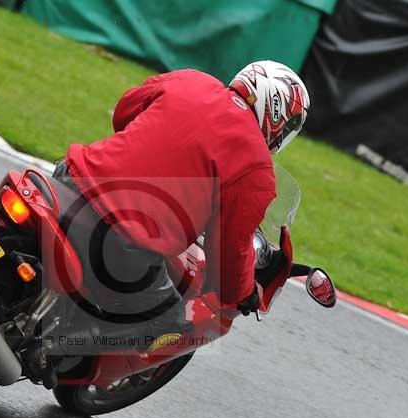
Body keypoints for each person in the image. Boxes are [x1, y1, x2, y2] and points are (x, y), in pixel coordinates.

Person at [51, 60, 310, 347]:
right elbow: (228, 249)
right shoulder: (256, 167)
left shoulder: (191, 80)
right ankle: (52, 348)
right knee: (169, 324)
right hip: (121, 237)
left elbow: (124, 112)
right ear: (277, 113)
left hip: (70, 176)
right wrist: (244, 292)